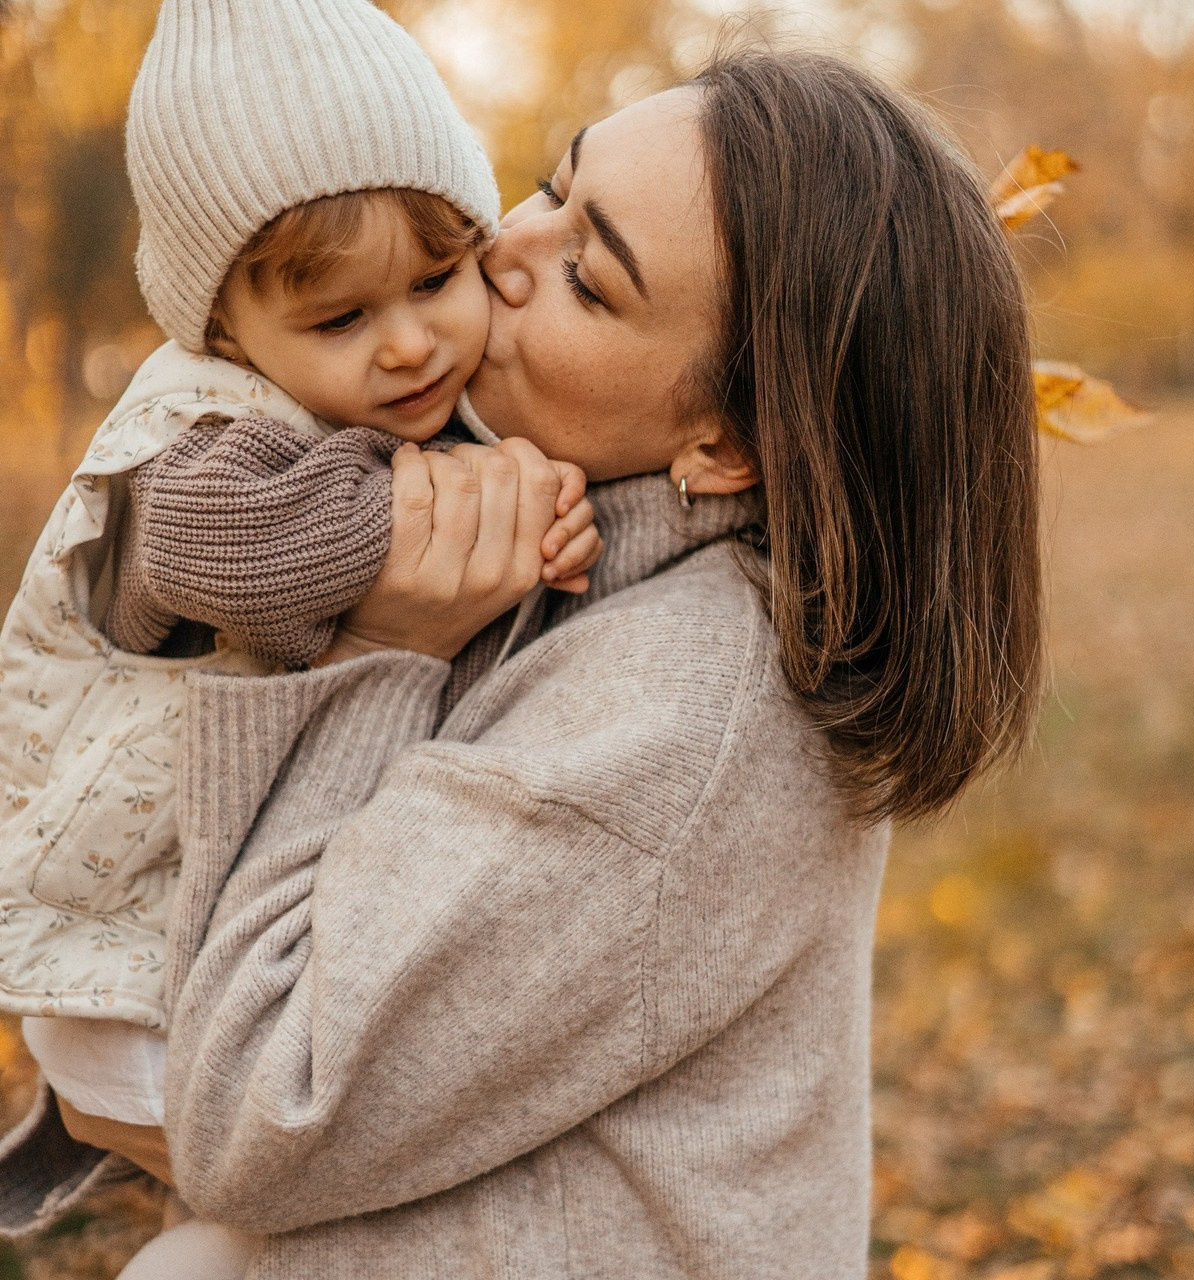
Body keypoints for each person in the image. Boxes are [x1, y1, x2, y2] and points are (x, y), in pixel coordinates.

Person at [0, 47, 1043, 1280]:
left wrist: (383, 649)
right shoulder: (579, 543)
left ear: (722, 444)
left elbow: (255, 1116)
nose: (500, 254)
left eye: (586, 278)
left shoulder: (669, 718)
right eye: (551, 187)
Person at [0, 1, 598, 1273]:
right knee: (387, 1179)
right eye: (338, 321)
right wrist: (481, 507)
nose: (406, 341)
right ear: (223, 331)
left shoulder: (388, 401)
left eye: (437, 281)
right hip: (131, 972)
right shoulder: (205, 441)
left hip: (209, 949)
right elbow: (225, 552)